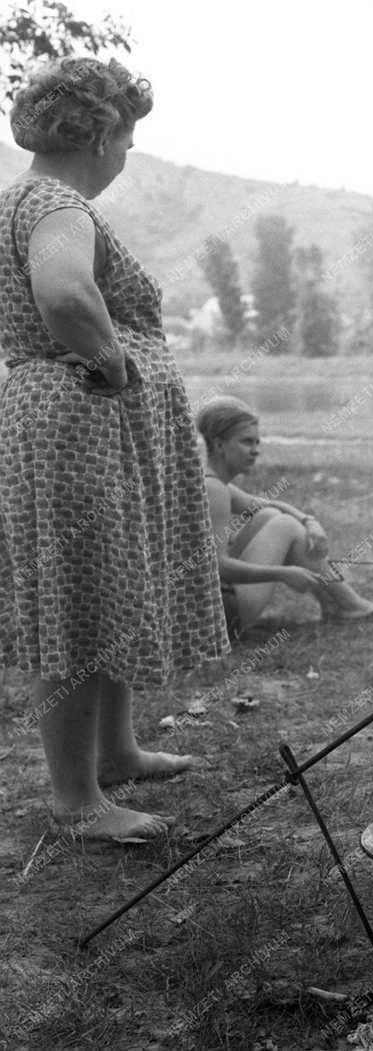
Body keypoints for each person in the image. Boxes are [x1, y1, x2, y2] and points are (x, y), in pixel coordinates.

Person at [0, 58, 228, 841]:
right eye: (127, 137)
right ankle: (75, 798)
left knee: (111, 580)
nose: (127, 155)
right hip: (79, 423)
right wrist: (115, 360)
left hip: (76, 424)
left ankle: (117, 750)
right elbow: (63, 294)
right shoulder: (58, 205)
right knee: (78, 593)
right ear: (99, 135)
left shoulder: (25, 198)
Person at [196, 396, 373, 637]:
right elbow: (219, 566)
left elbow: (269, 504)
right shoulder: (213, 489)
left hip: (210, 602)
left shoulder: (211, 480)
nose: (256, 451)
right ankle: (346, 604)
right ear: (219, 444)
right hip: (218, 616)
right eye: (246, 442)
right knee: (285, 525)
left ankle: (341, 604)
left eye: (257, 442)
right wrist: (282, 573)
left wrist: (310, 521)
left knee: (269, 515)